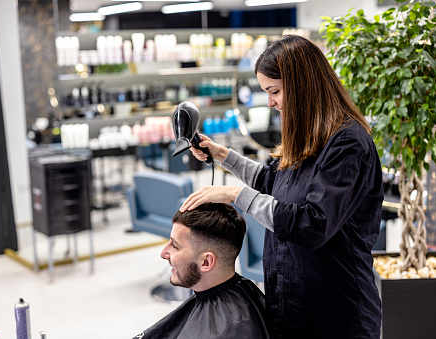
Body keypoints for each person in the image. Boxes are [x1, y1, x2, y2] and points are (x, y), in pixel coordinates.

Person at [181, 35, 383, 339]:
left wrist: (235, 195)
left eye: (274, 91)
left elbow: (312, 223)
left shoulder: (347, 143)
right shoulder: (307, 134)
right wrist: (224, 156)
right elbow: (273, 183)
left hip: (336, 312)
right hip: (294, 303)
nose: (270, 102)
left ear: (302, 85)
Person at [132, 203, 270, 339]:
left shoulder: (233, 328)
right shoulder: (244, 294)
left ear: (206, 262)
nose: (163, 253)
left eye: (175, 246)